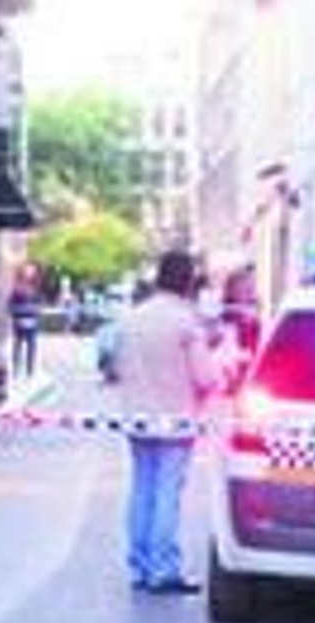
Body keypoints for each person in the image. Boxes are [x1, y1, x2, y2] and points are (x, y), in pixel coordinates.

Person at [112, 250, 223, 593]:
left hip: (137, 417)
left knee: (142, 489)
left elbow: (117, 366)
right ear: (188, 281)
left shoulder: (131, 318)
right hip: (175, 418)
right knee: (166, 494)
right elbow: (206, 377)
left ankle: (139, 565)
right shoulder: (185, 322)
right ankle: (163, 569)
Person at [9, 267, 42, 382]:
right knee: (17, 347)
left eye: (32, 273)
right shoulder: (17, 290)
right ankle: (16, 371)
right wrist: (22, 311)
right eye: (28, 273)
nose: (30, 275)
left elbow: (39, 306)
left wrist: (36, 312)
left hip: (32, 323)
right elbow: (11, 307)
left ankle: (30, 372)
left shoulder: (35, 290)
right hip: (20, 323)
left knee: (31, 348)